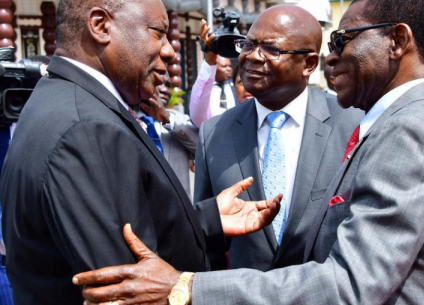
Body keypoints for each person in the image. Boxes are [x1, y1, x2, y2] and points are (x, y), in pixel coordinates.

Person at [74, 0, 424, 304]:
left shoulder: (407, 131)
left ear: (397, 40)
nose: (335, 56)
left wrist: (187, 288)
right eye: (248, 44)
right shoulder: (397, 125)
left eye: (343, 39)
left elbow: (351, 283)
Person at [0, 0, 282, 304]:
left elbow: (126, 227)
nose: (169, 51)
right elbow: (132, 286)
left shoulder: (61, 99)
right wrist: (190, 291)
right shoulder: (87, 128)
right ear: (100, 26)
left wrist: (206, 219)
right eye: (157, 33)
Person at [194, 5, 362, 271]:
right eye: (248, 45)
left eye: (271, 49)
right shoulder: (213, 133)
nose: (252, 57)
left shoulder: (353, 125)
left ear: (308, 63)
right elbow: (205, 241)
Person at [137, 71, 198, 198]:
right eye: (159, 83)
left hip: (179, 209)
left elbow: (201, 148)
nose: (165, 90)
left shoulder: (179, 120)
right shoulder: (128, 119)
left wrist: (167, 119)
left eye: (168, 85)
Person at [189, 20, 237, 127]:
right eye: (224, 66)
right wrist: (209, 60)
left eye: (230, 66)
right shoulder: (204, 88)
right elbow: (197, 117)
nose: (229, 69)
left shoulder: (236, 87)